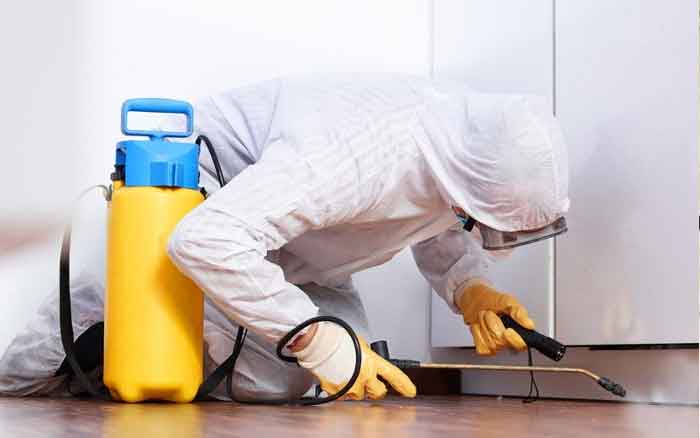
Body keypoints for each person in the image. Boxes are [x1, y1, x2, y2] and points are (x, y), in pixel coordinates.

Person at [0, 74, 569, 401]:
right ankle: (106, 333)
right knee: (28, 375)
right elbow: (205, 239)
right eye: (478, 219)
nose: (474, 226)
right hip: (205, 207)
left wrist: (470, 288)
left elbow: (434, 209)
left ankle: (172, 349)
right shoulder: (354, 154)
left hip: (297, 244)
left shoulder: (457, 145)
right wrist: (318, 342)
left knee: (307, 381)